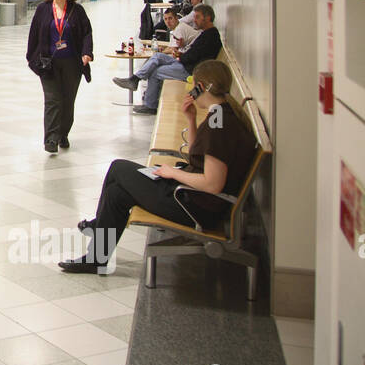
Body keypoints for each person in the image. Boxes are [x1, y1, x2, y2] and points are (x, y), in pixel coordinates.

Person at [60, 60, 255, 273]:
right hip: (194, 198)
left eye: (194, 85)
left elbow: (213, 183)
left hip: (194, 206)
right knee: (117, 194)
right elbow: (197, 157)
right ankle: (96, 258)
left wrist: (171, 172)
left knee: (118, 168)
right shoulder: (220, 114)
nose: (191, 90)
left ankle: (97, 234)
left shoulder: (219, 125)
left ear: (201, 87)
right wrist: (190, 120)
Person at [25, 0, 93, 153]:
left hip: (72, 63)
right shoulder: (43, 10)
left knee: (67, 100)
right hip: (49, 64)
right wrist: (32, 59)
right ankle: (51, 139)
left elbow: (87, 32)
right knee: (53, 100)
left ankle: (63, 134)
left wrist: (87, 53)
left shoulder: (77, 10)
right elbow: (33, 36)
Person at [115, 4, 221, 114]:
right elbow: (194, 53)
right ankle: (135, 79)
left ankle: (150, 105)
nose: (194, 20)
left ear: (207, 18)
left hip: (190, 70)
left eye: (197, 17)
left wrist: (180, 55)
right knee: (157, 56)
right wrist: (181, 52)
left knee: (155, 72)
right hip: (185, 63)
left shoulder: (210, 36)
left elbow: (193, 56)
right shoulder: (207, 33)